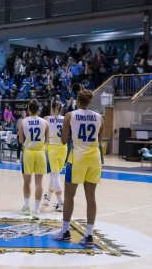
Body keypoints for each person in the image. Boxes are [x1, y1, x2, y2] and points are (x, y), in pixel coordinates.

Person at [52, 90, 103, 248]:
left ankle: (65, 232)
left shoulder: (70, 115)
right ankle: (88, 236)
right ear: (89, 101)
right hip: (94, 159)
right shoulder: (99, 117)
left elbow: (63, 141)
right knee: (91, 197)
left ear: (77, 101)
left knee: (69, 196)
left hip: (77, 158)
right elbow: (99, 142)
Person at [18, 99, 49, 219]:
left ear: (28, 109)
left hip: (28, 153)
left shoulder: (23, 121)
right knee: (39, 183)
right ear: (38, 110)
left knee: (27, 181)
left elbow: (20, 141)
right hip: (41, 152)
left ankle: (26, 207)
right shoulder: (44, 122)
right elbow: (47, 140)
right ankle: (36, 211)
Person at [42, 101, 67, 212]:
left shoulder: (47, 118)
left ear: (51, 108)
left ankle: (61, 202)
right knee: (54, 174)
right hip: (63, 147)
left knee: (55, 175)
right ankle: (47, 198)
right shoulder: (66, 118)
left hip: (52, 147)